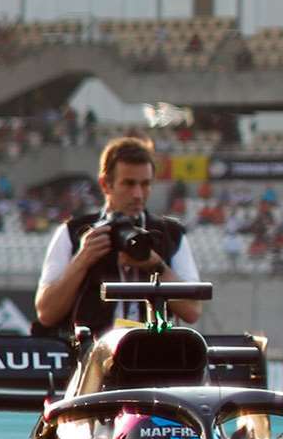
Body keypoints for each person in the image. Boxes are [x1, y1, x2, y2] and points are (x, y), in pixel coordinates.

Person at [34, 136, 202, 332]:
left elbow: (192, 311)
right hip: (94, 354)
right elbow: (46, 313)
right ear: (106, 184)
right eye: (129, 184)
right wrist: (82, 260)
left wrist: (156, 266)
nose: (138, 194)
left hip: (154, 350)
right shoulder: (73, 233)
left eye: (145, 184)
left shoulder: (170, 234)